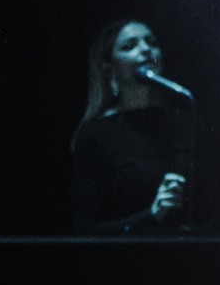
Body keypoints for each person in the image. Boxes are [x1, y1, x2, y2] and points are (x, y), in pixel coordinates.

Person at [71, 19, 196, 233]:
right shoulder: (95, 135)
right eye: (130, 46)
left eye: (151, 42)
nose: (146, 50)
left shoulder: (182, 122)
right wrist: (151, 216)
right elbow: (85, 230)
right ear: (109, 68)